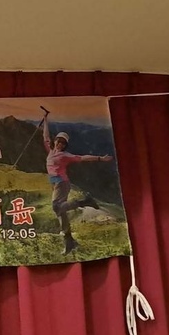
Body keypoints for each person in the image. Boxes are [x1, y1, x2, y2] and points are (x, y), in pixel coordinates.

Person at [40, 108, 113, 255]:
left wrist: (100, 158)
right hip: (54, 183)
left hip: (62, 182)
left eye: (63, 143)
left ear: (65, 145)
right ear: (55, 140)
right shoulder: (50, 150)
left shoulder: (65, 155)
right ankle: (69, 242)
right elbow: (45, 135)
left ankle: (85, 201)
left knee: (56, 207)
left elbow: (82, 158)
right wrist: (45, 119)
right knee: (61, 213)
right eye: (59, 141)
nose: (60, 144)